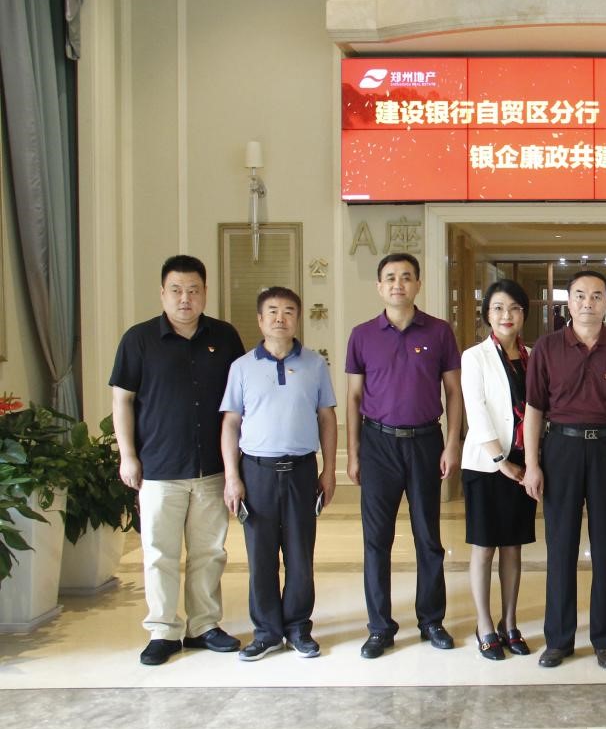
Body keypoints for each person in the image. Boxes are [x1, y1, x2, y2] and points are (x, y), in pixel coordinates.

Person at [110, 255, 246, 665]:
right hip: (159, 468)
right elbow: (122, 400)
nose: (185, 298)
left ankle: (204, 625)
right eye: (176, 290)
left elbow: (240, 401)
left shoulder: (225, 337)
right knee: (159, 553)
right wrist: (127, 455)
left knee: (209, 552)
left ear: (205, 293)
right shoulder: (138, 340)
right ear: (162, 293)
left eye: (193, 290)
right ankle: (164, 630)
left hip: (211, 468)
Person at [522, 270, 606, 670]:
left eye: (597, 296)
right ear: (569, 301)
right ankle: (558, 640)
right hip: (560, 450)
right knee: (560, 547)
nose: (588, 302)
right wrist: (532, 464)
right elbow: (534, 409)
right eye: (580, 295)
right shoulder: (547, 348)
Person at [345, 252, 464, 659]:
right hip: (377, 444)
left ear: (418, 284)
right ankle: (380, 627)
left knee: (428, 537)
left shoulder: (440, 331)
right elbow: (354, 397)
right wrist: (354, 453)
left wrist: (452, 443)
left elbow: (454, 392)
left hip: (426, 441)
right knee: (376, 540)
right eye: (391, 278)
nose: (399, 284)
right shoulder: (362, 335)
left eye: (407, 277)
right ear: (380, 286)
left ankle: (431, 620)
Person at [220, 287, 337, 660]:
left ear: (297, 319)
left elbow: (327, 418)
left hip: (302, 470)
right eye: (272, 311)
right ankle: (267, 632)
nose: (280, 318)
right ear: (260, 320)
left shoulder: (315, 365)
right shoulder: (241, 367)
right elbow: (231, 423)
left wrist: (329, 470)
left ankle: (299, 628)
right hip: (257, 472)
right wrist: (232, 477)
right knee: (261, 557)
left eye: (288, 311)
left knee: (300, 555)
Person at [460, 279, 538, 661]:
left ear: (523, 314)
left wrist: (529, 463)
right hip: (486, 465)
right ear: (487, 315)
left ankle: (509, 622)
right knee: (484, 547)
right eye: (498, 308)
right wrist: (500, 461)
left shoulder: (533, 356)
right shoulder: (474, 357)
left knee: (513, 546)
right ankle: (484, 624)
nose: (506, 315)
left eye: (514, 308)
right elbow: (476, 412)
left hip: (523, 464)